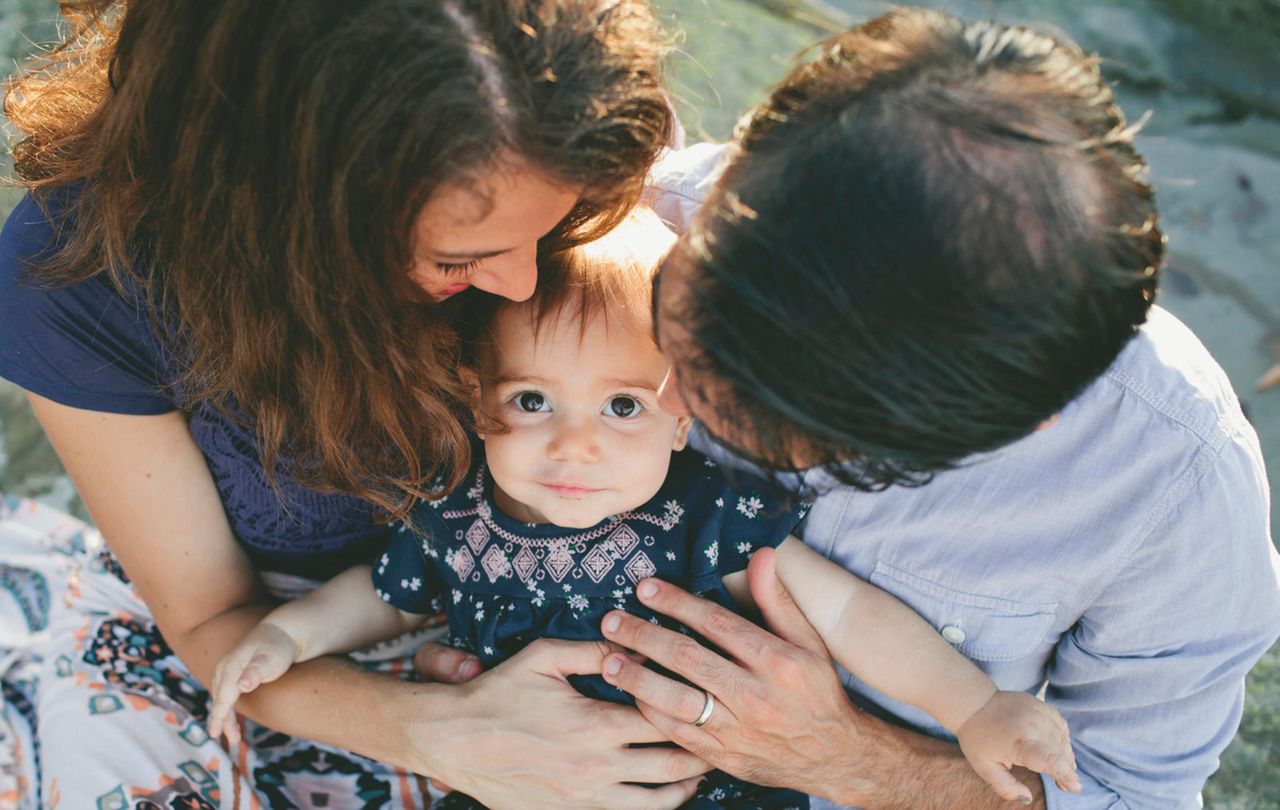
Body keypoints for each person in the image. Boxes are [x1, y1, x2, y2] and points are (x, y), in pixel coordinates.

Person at [422, 8, 1280, 809]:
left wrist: (856, 762)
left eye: (751, 413)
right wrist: (435, 723)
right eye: (671, 324)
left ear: (1009, 426)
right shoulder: (615, 232)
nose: (666, 402)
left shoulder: (1175, 484)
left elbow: (1134, 796)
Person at [0, 2, 719, 808]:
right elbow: (212, 621)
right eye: (457, 257)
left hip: (551, 608)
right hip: (293, 646)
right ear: (289, 213)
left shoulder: (565, 130)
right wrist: (443, 729)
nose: (521, 284)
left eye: (550, 230)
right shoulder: (86, 274)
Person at [204, 210, 1083, 807]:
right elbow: (388, 591)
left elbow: (850, 613)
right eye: (533, 401)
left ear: (681, 420)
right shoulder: (456, 510)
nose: (574, 446)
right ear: (476, 397)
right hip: (513, 785)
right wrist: (292, 636)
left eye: (622, 407)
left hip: (701, 792)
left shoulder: (708, 513)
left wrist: (975, 710)